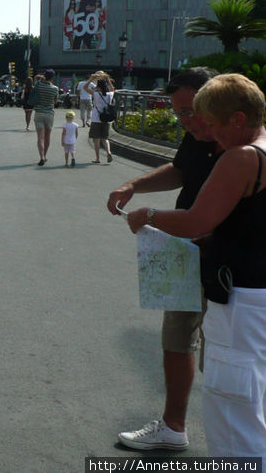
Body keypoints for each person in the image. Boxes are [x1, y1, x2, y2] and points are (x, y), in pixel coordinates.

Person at [125, 74, 266, 456]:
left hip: (238, 293)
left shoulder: (240, 156)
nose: (209, 134)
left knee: (233, 407)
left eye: (213, 124)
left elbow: (198, 221)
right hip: (253, 289)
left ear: (237, 119)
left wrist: (149, 215)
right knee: (249, 398)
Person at [107, 67, 220, 451]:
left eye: (190, 111)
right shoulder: (198, 137)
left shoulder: (241, 146)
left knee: (226, 353)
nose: (185, 122)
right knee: (176, 338)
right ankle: (173, 427)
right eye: (178, 114)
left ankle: (239, 439)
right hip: (186, 250)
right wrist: (134, 185)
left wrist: (153, 217)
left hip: (228, 264)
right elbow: (181, 170)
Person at [28, 69, 59, 165]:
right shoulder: (55, 89)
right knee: (47, 136)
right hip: (49, 114)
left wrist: (41, 78)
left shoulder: (39, 85)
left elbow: (36, 78)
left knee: (40, 137)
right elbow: (55, 102)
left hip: (39, 113)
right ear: (53, 78)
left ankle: (41, 156)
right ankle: (45, 155)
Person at [90, 73, 115, 163]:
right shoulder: (109, 95)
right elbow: (113, 89)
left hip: (96, 119)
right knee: (105, 139)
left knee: (96, 140)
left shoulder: (96, 94)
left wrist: (91, 79)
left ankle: (97, 158)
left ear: (99, 87)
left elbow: (85, 88)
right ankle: (108, 152)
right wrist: (108, 79)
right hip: (106, 119)